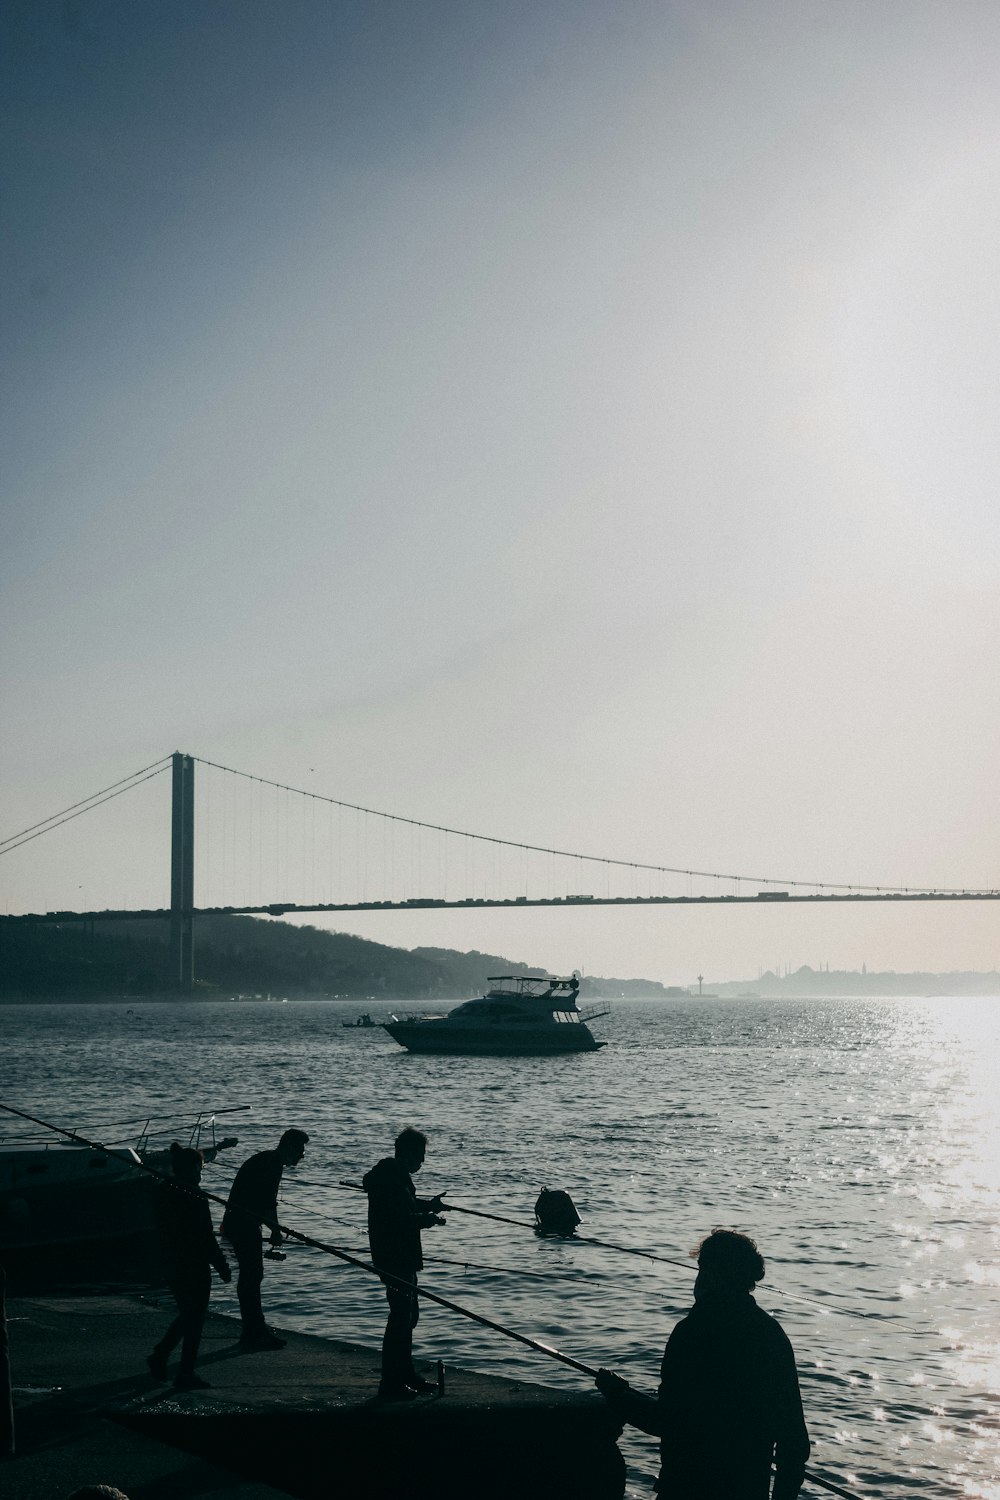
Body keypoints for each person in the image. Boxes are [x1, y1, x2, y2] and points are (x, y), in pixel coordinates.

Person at [595, 1228, 809, 1500]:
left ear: (714, 1273)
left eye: (702, 1268)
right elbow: (793, 1441)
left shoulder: (692, 1332)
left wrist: (618, 1396)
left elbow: (668, 1420)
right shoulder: (770, 1334)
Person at [362, 1127, 447, 1400]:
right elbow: (400, 1219)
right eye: (420, 1156)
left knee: (408, 1316)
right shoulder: (391, 1178)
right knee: (400, 1318)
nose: (422, 1163)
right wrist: (428, 1220)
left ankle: (405, 1374)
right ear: (407, 1154)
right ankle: (391, 1381)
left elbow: (405, 1205)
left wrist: (429, 1206)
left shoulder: (392, 1176)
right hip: (395, 1255)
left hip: (399, 1255)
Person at [147, 1143, 231, 1392]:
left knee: (188, 1315)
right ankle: (184, 1371)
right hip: (193, 1264)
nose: (201, 1172)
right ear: (193, 1168)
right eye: (200, 1167)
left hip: (169, 1261)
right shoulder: (195, 1195)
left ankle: (162, 1355)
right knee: (194, 1319)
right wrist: (221, 1265)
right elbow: (205, 1237)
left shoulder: (163, 1191)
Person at [221, 1127, 308, 1350]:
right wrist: (276, 1231)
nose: (302, 1154)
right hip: (243, 1225)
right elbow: (268, 1204)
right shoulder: (271, 1164)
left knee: (251, 1277)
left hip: (240, 1223)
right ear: (289, 1146)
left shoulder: (267, 1160)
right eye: (300, 1149)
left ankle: (253, 1330)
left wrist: (272, 1228)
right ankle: (254, 1332)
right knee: (252, 1276)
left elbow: (264, 1203)